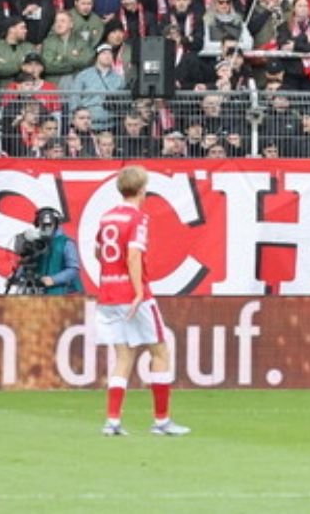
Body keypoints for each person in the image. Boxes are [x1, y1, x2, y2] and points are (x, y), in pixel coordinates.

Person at [85, 165, 188, 436]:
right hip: (132, 295)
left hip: (107, 292)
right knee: (160, 351)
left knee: (123, 355)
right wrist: (138, 290)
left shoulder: (107, 217)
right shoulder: (138, 218)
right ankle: (162, 420)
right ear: (143, 189)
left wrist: (111, 274)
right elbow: (132, 254)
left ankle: (113, 421)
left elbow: (98, 250)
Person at [22, 207, 84, 295]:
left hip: (61, 293)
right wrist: (17, 275)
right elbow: (28, 262)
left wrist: (54, 279)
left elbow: (73, 269)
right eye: (43, 225)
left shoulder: (66, 242)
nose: (46, 228)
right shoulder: (36, 241)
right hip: (37, 292)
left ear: (56, 224)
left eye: (49, 225)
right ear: (38, 224)